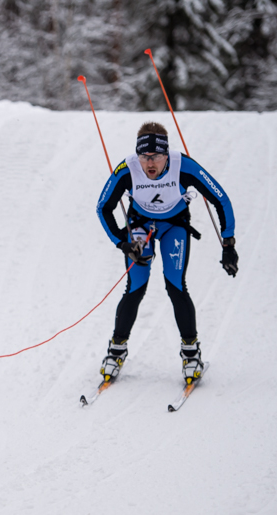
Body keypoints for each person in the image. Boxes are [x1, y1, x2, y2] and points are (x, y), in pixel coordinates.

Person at [95, 122, 238, 384]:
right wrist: (121, 242)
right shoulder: (127, 169)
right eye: (145, 157)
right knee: (136, 287)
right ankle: (116, 349)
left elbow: (221, 199)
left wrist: (228, 244)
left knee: (175, 286)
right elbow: (103, 207)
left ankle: (191, 352)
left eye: (157, 156)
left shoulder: (184, 166)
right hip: (140, 226)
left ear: (166, 154)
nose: (150, 163)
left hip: (175, 226)